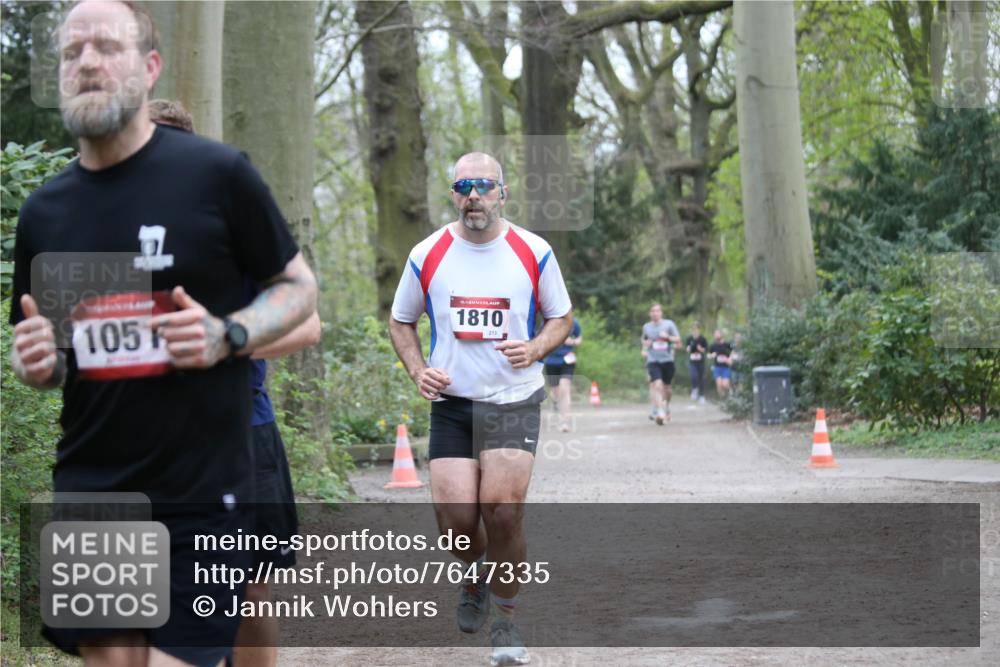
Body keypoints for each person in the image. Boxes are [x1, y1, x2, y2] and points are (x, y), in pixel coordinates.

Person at [8, 3, 317, 665]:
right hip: (93, 488)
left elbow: (300, 290)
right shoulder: (46, 212)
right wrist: (37, 362)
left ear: (150, 69)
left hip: (202, 489)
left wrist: (229, 332)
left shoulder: (216, 175)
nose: (86, 62)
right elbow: (59, 356)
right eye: (71, 52)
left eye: (106, 47)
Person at [148, 98, 322, 667]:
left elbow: (310, 324)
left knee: (246, 589)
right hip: (145, 442)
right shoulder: (114, 234)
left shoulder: (234, 228)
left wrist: (225, 340)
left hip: (242, 434)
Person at [389, 152, 573, 666]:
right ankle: (474, 574)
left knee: (502, 510)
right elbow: (401, 321)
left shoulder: (534, 251)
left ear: (502, 193)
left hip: (514, 400)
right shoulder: (427, 254)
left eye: (484, 186)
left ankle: (506, 622)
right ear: (453, 194)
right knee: (455, 521)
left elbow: (560, 314)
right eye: (464, 185)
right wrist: (417, 368)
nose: (474, 195)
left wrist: (536, 348)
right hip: (452, 404)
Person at [640, 303, 681, 425]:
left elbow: (678, 340)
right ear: (649, 313)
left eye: (657, 311)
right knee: (657, 385)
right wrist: (645, 344)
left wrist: (667, 337)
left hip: (668, 360)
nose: (655, 313)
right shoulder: (646, 327)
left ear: (661, 313)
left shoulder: (669, 324)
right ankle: (659, 412)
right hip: (653, 360)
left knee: (667, 388)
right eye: (652, 311)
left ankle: (666, 406)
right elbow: (644, 340)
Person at [543, 316, 582, 432]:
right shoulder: (548, 321)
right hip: (551, 361)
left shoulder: (573, 322)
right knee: (556, 392)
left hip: (567, 360)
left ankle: (564, 422)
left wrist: (572, 341)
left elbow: (580, 339)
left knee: (565, 389)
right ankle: (555, 401)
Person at [685, 322, 708, 404]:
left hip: (700, 361)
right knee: (693, 376)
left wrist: (700, 349)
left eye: (696, 329)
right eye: (693, 329)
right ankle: (694, 389)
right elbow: (687, 349)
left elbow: (705, 350)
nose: (695, 330)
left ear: (699, 329)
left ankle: (702, 396)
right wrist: (689, 348)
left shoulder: (703, 339)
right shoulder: (689, 339)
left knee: (701, 378)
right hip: (692, 361)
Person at [708, 329, 734, 398]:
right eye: (715, 334)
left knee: (725, 384)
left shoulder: (727, 344)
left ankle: (731, 392)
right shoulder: (713, 346)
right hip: (717, 367)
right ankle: (722, 399)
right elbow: (708, 355)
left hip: (726, 367)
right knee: (719, 385)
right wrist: (711, 355)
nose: (716, 335)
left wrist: (730, 359)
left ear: (721, 335)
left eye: (718, 333)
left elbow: (733, 352)